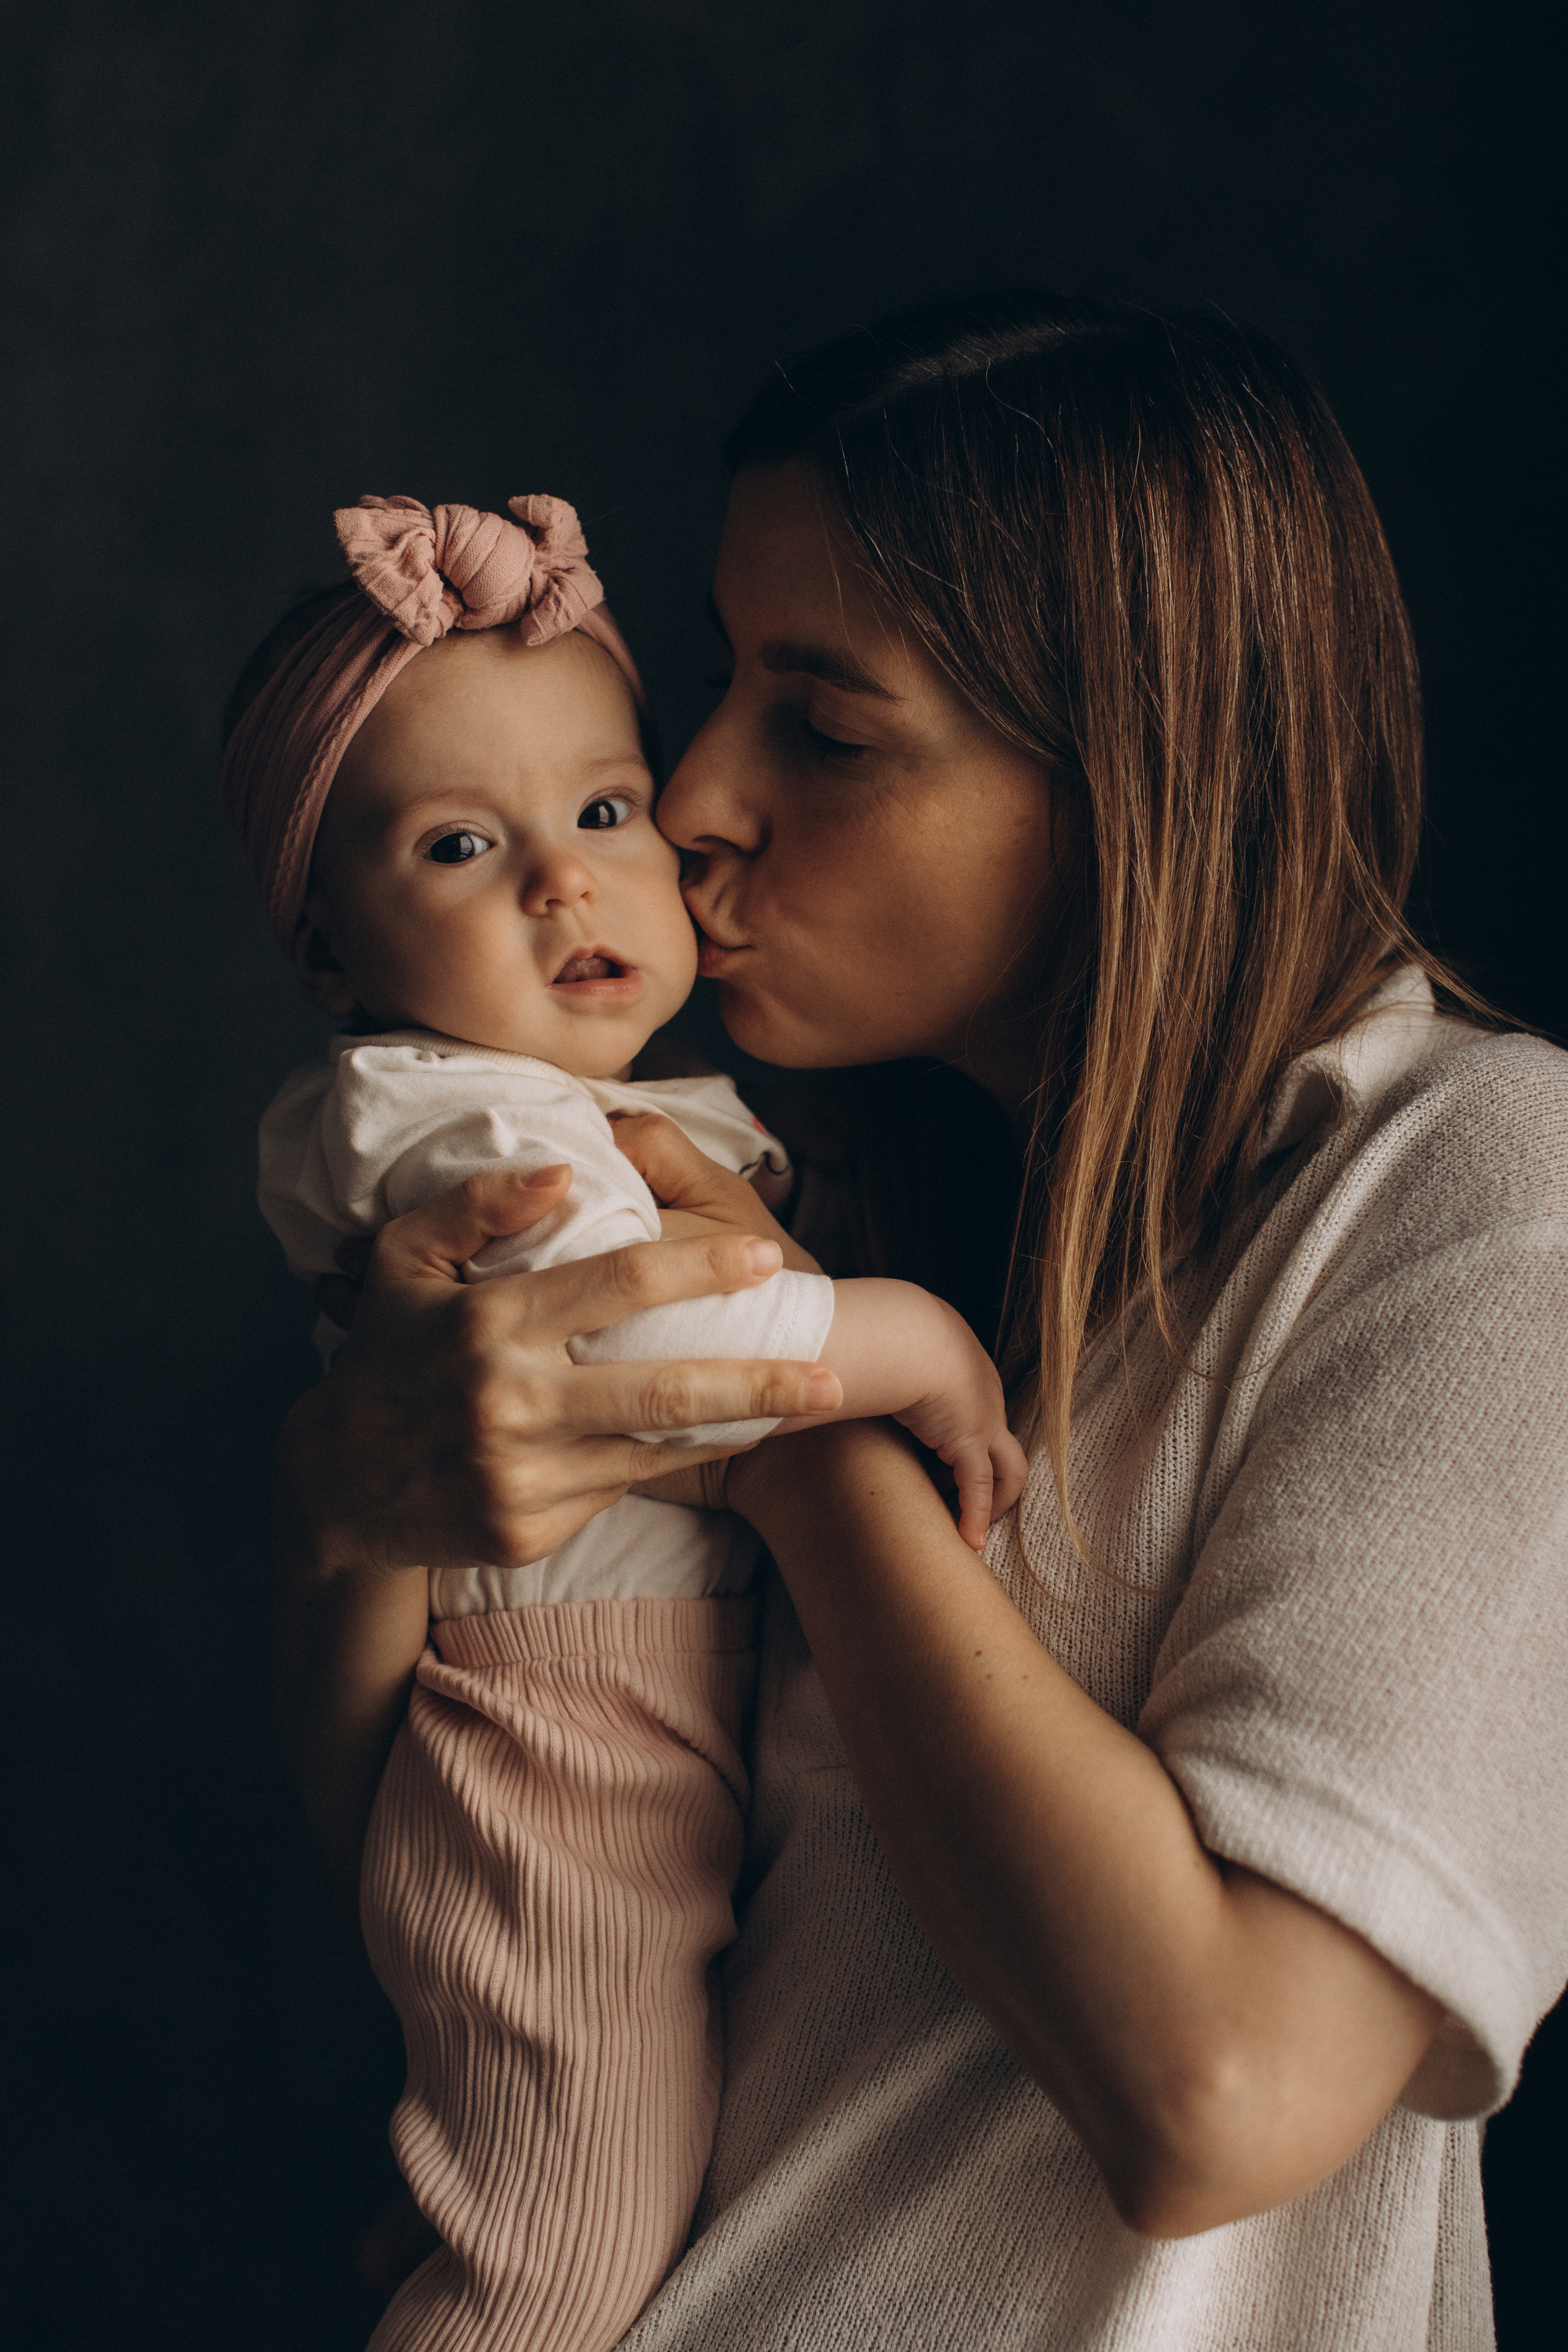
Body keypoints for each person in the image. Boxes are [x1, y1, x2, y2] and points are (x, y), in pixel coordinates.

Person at [271, 295, 1568, 2348]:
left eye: (827, 722)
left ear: (1137, 768)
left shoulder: (1489, 1197)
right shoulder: (825, 1189)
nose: (688, 797)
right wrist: (362, 1495)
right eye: (713, 684)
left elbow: (1221, 2094)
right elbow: (446, 1824)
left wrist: (790, 1430)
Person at [222, 487, 1025, 2351]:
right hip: (560, 1740)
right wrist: (907, 1339)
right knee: (557, 2267)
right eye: (454, 844)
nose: (564, 882)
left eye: (600, 812)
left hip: (630, 1711)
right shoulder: (465, 1133)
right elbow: (639, 1366)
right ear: (334, 952)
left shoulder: (634, 1107)